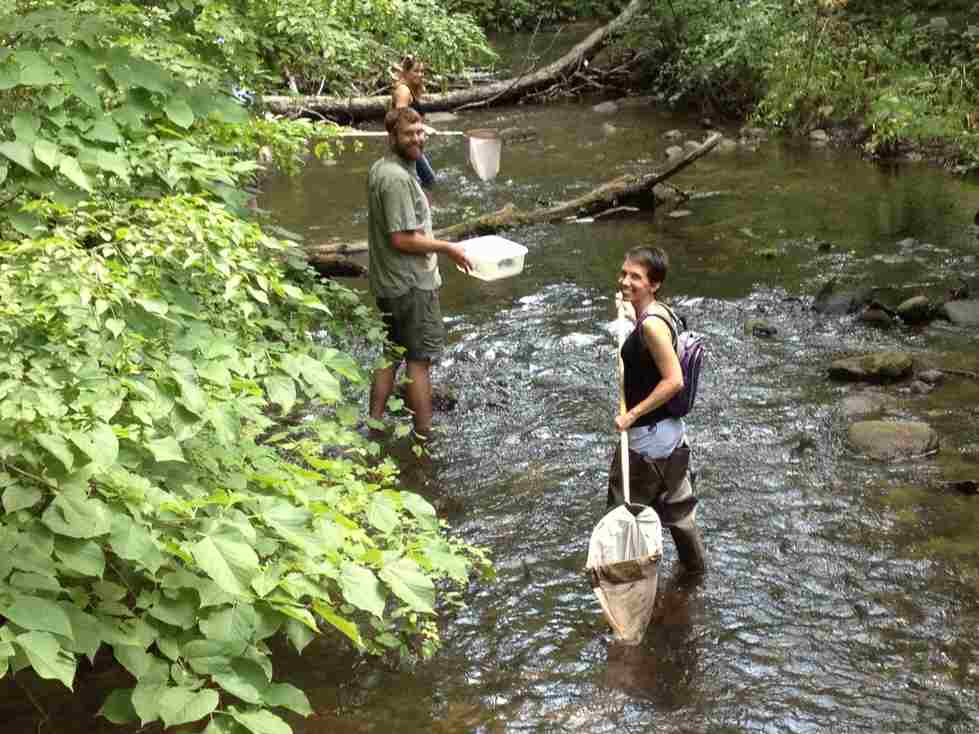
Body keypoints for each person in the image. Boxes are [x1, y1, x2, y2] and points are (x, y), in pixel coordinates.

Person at [367, 107, 473, 438]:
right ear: (392, 137)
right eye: (409, 134)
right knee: (418, 360)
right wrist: (447, 247)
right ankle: (424, 437)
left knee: (391, 353)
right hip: (410, 285)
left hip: (388, 283)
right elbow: (401, 239)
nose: (417, 138)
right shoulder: (396, 179)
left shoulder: (385, 168)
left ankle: (375, 422)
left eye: (420, 132)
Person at [607, 246, 706, 575]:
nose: (625, 280)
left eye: (635, 277)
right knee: (679, 513)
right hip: (672, 437)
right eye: (624, 273)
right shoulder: (661, 313)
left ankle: (624, 585)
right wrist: (628, 308)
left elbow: (674, 380)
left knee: (622, 516)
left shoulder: (652, 326)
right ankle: (694, 577)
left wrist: (631, 415)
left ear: (655, 284)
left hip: (646, 441)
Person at [391, 55, 437, 189]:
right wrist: (423, 127)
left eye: (422, 71)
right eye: (416, 71)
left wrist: (421, 130)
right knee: (429, 181)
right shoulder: (403, 91)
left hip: (412, 143)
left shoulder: (412, 90)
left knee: (419, 182)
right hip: (405, 145)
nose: (420, 74)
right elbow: (400, 118)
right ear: (406, 72)